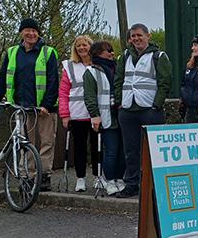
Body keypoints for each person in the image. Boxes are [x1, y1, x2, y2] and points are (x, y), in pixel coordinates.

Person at [0, 17, 59, 191]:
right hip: (20, 107)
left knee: (46, 143)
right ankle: (27, 176)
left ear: (38, 33)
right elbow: (2, 78)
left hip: (43, 109)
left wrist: (47, 105)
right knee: (25, 144)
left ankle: (43, 176)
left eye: (34, 31)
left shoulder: (48, 52)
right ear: (21, 33)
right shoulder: (12, 52)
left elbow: (53, 81)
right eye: (27, 30)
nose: (31, 33)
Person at [113, 23, 172, 198]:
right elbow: (118, 79)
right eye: (133, 36)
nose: (136, 39)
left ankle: (156, 186)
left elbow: (165, 81)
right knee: (131, 150)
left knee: (154, 150)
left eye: (139, 35)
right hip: (128, 108)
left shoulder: (158, 56)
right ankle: (132, 184)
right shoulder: (124, 56)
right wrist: (119, 102)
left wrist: (157, 104)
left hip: (149, 109)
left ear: (148, 36)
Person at [59, 35, 100, 192]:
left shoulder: (98, 65)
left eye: (85, 45)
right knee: (79, 148)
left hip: (96, 113)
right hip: (77, 113)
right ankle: (80, 178)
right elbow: (63, 93)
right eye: (78, 46)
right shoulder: (69, 66)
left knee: (97, 146)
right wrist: (64, 114)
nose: (82, 48)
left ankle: (98, 176)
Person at [84, 40, 125, 196]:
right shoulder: (91, 71)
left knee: (122, 151)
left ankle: (120, 178)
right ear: (98, 53)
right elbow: (89, 96)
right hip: (106, 116)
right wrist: (95, 115)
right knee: (112, 151)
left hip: (120, 114)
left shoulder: (117, 68)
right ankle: (109, 179)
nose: (111, 53)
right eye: (108, 50)